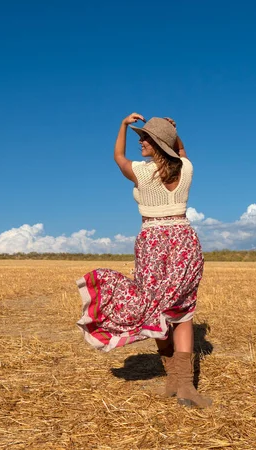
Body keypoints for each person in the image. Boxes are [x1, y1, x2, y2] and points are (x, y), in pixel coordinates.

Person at [76, 112, 211, 408]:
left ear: (159, 144)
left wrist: (122, 125)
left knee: (156, 310)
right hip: (185, 241)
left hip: (153, 243)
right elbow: (183, 152)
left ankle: (177, 380)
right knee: (183, 313)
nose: (141, 142)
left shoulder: (142, 172)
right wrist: (174, 133)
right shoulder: (186, 168)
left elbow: (117, 156)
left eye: (146, 138)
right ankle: (182, 384)